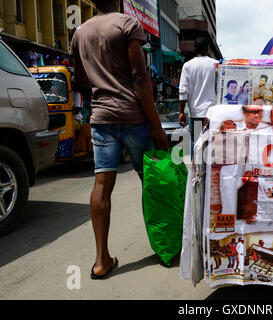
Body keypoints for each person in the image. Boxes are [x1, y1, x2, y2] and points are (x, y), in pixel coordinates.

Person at [70, 0, 168, 279]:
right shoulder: (128, 24)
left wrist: (103, 81)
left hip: (101, 120)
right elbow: (139, 78)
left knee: (102, 185)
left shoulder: (80, 32)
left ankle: (101, 261)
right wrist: (157, 127)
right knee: (152, 183)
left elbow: (80, 78)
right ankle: (166, 248)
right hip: (134, 118)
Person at [179, 37, 218, 157]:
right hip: (211, 114)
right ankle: (209, 174)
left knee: (195, 144)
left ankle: (196, 173)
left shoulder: (188, 66)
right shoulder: (216, 64)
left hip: (195, 115)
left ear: (194, 49)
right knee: (212, 144)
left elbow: (183, 91)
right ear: (207, 49)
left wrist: (181, 112)